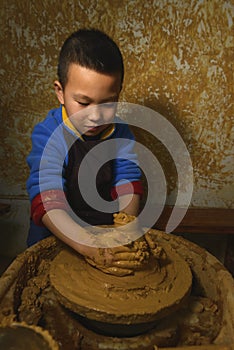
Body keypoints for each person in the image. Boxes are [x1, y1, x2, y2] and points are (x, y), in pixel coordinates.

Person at [26, 28, 144, 274]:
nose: (96, 116)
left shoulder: (120, 132)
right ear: (60, 92)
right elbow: (47, 199)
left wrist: (125, 226)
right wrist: (89, 246)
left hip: (102, 230)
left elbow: (127, 179)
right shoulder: (49, 135)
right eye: (83, 102)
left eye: (107, 103)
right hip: (55, 234)